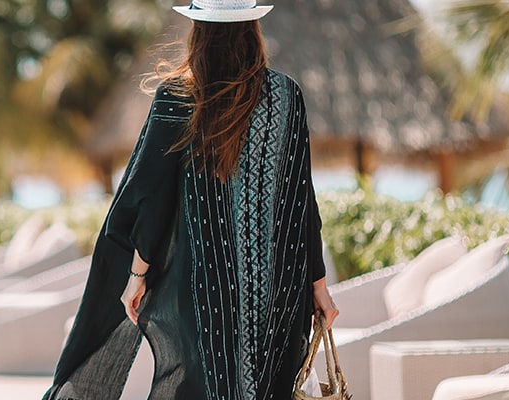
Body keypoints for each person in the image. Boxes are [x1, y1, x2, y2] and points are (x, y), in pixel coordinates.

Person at [44, 1, 339, 399]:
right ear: (253, 26)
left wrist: (136, 275)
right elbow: (303, 203)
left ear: (198, 31)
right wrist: (318, 284)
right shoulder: (288, 96)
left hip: (205, 287)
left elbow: (151, 195)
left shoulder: (179, 96)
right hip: (280, 289)